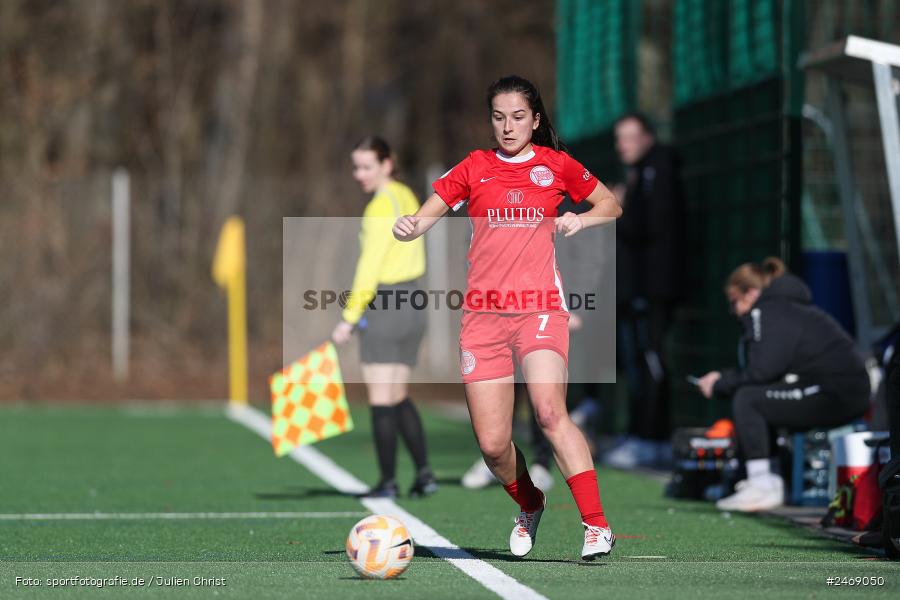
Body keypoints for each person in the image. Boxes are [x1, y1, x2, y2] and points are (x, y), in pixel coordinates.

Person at [392, 75, 622, 560]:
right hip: (483, 319)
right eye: (499, 117)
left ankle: (597, 526)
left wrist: (581, 218)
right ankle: (530, 503)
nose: (508, 126)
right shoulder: (475, 167)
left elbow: (611, 203)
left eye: (518, 117)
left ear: (535, 120)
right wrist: (410, 226)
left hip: (540, 310)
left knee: (547, 411)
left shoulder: (556, 165)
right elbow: (426, 215)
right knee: (494, 445)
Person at [696, 257, 871, 512]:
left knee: (748, 399)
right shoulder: (784, 308)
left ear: (751, 293)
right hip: (835, 388)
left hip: (836, 392)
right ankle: (760, 478)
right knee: (757, 396)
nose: (734, 310)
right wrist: (724, 378)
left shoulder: (766, 310)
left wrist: (721, 383)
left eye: (735, 301)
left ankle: (763, 484)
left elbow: (762, 370)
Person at [331, 136, 437, 499]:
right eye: (356, 167)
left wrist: (348, 317)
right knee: (397, 393)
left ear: (387, 164)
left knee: (380, 397)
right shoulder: (406, 195)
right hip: (414, 300)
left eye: (366, 167)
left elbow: (369, 267)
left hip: (388, 303)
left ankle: (387, 482)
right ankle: (424, 474)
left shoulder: (378, 206)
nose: (359, 174)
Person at [604, 112, 686, 469]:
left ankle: (652, 438)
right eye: (619, 138)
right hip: (637, 287)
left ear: (648, 137)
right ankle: (639, 433)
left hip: (652, 286)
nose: (623, 145)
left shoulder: (658, 170)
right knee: (638, 362)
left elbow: (652, 224)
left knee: (651, 360)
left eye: (630, 137)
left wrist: (618, 206)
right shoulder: (642, 172)